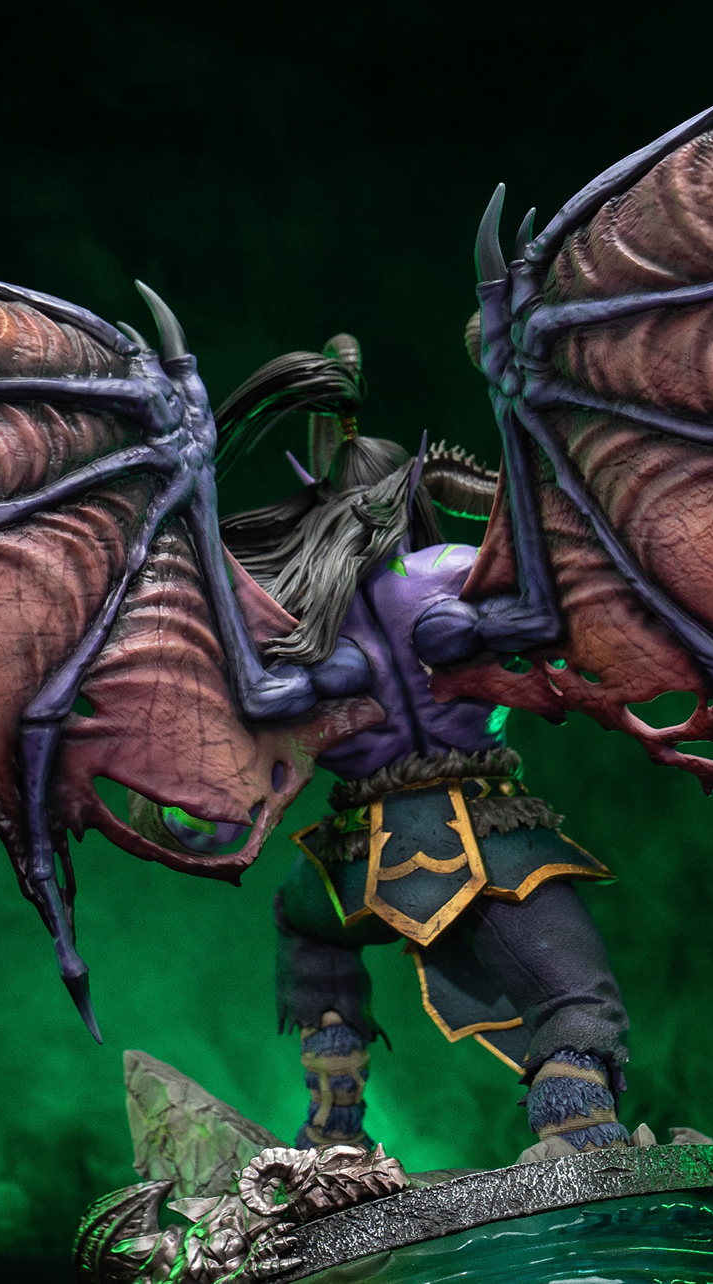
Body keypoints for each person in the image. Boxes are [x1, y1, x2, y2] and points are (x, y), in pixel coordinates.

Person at [205, 335, 635, 1161]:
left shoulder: (301, 617)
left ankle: (334, 1118)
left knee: (307, 924)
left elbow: (264, 701)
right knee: (575, 1000)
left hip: (355, 860)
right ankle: (579, 1127)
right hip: (480, 836)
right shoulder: (448, 572)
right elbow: (546, 614)